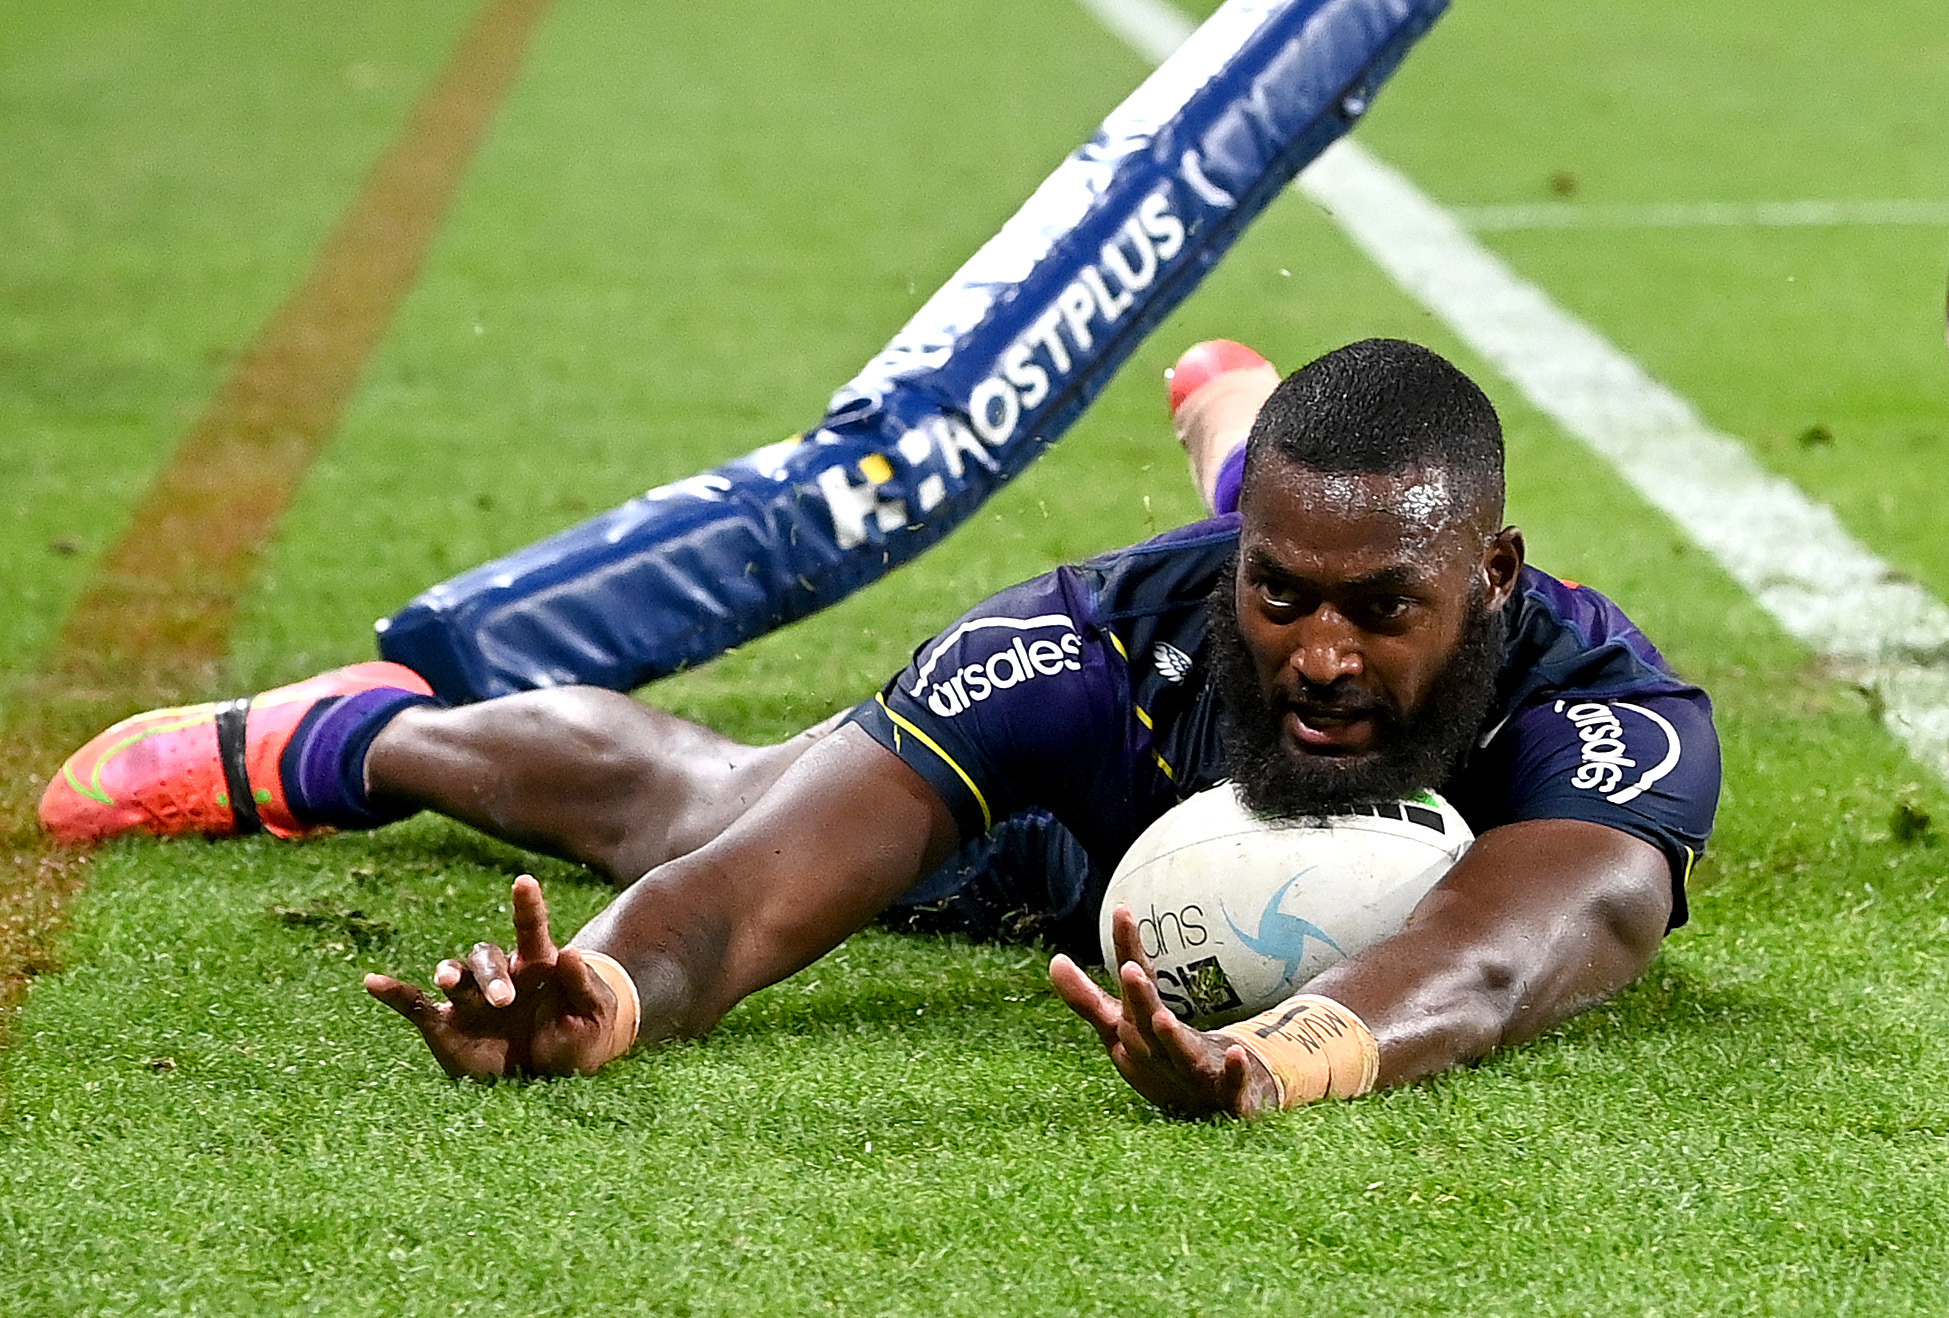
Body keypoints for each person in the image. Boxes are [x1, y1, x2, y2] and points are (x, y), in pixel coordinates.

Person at [40, 338, 1721, 1117]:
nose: (1324, 659)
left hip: (1320, 742)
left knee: (1338, 529)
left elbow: (1502, 956)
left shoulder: (1604, 710)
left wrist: (1280, 1060)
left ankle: (1245, 419)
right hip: (1088, 824)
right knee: (698, 797)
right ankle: (348, 740)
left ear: (1490, 579)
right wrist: (609, 995)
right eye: (1280, 596)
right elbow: (750, 882)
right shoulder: (1079, 651)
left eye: (1382, 607)